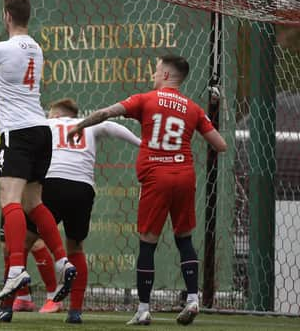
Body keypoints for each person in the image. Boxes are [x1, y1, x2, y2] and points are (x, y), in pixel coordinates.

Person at [67, 54, 227, 326]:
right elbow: (220, 144)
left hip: (156, 177)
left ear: (166, 74)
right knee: (184, 239)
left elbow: (106, 113)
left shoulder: (146, 100)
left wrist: (79, 126)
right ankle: (192, 298)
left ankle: (143, 309)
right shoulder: (192, 108)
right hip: (185, 175)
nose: (153, 74)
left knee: (147, 243)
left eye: (155, 70)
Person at [0, 0, 76, 323]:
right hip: (43, 130)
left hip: (17, 133)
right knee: (34, 203)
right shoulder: (36, 48)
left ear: (7, 16)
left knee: (9, 201)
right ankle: (62, 261)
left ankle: (15, 269)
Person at [31, 97, 140, 324]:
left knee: (26, 240)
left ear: (57, 115)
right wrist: (140, 143)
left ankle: (9, 304)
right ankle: (75, 311)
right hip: (82, 187)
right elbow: (111, 126)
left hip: (52, 182)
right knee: (77, 247)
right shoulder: (88, 124)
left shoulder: (46, 124)